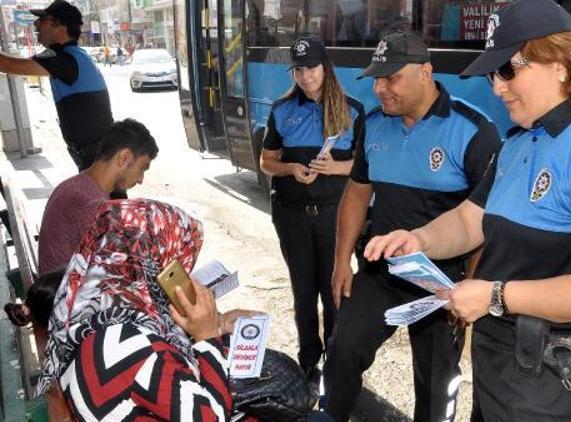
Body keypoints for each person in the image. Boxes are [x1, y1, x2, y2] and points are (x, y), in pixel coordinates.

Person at [364, 1, 571, 420]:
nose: (497, 87)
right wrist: (421, 239)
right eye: (491, 74)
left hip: (557, 376)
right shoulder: (519, 141)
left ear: (561, 63)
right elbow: (471, 218)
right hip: (502, 363)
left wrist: (495, 296)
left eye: (508, 70)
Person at [323, 31, 501, 422]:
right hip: (381, 270)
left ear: (426, 72)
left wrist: (471, 284)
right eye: (376, 78)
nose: (379, 88)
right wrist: (340, 262)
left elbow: (486, 220)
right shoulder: (372, 125)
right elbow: (356, 193)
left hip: (443, 281)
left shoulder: (474, 130)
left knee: (437, 382)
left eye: (391, 77)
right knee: (342, 349)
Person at [35, 199, 261, 421]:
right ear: (149, 263)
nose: (183, 271)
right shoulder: (123, 343)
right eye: (174, 261)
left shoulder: (96, 318)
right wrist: (209, 337)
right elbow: (212, 417)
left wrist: (219, 325)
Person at [259, 37, 364, 379]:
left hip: (335, 215)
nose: (306, 77)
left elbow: (368, 166)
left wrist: (336, 167)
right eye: (299, 70)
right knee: (303, 292)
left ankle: (337, 358)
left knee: (335, 290)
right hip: (291, 215)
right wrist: (290, 168)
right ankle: (308, 361)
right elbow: (266, 161)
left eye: (312, 68)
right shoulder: (281, 110)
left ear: (326, 68)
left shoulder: (352, 110)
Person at [0, 0, 114, 173]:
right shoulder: (73, 56)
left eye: (43, 20)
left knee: (105, 201)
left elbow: (6, 64)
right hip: (99, 156)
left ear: (60, 28)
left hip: (100, 160)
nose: (36, 24)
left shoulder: (65, 60)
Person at [37, 119, 158, 275]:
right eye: (142, 168)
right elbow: (125, 268)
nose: (141, 179)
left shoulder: (77, 186)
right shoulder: (89, 203)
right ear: (124, 158)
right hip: (65, 295)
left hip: (61, 286)